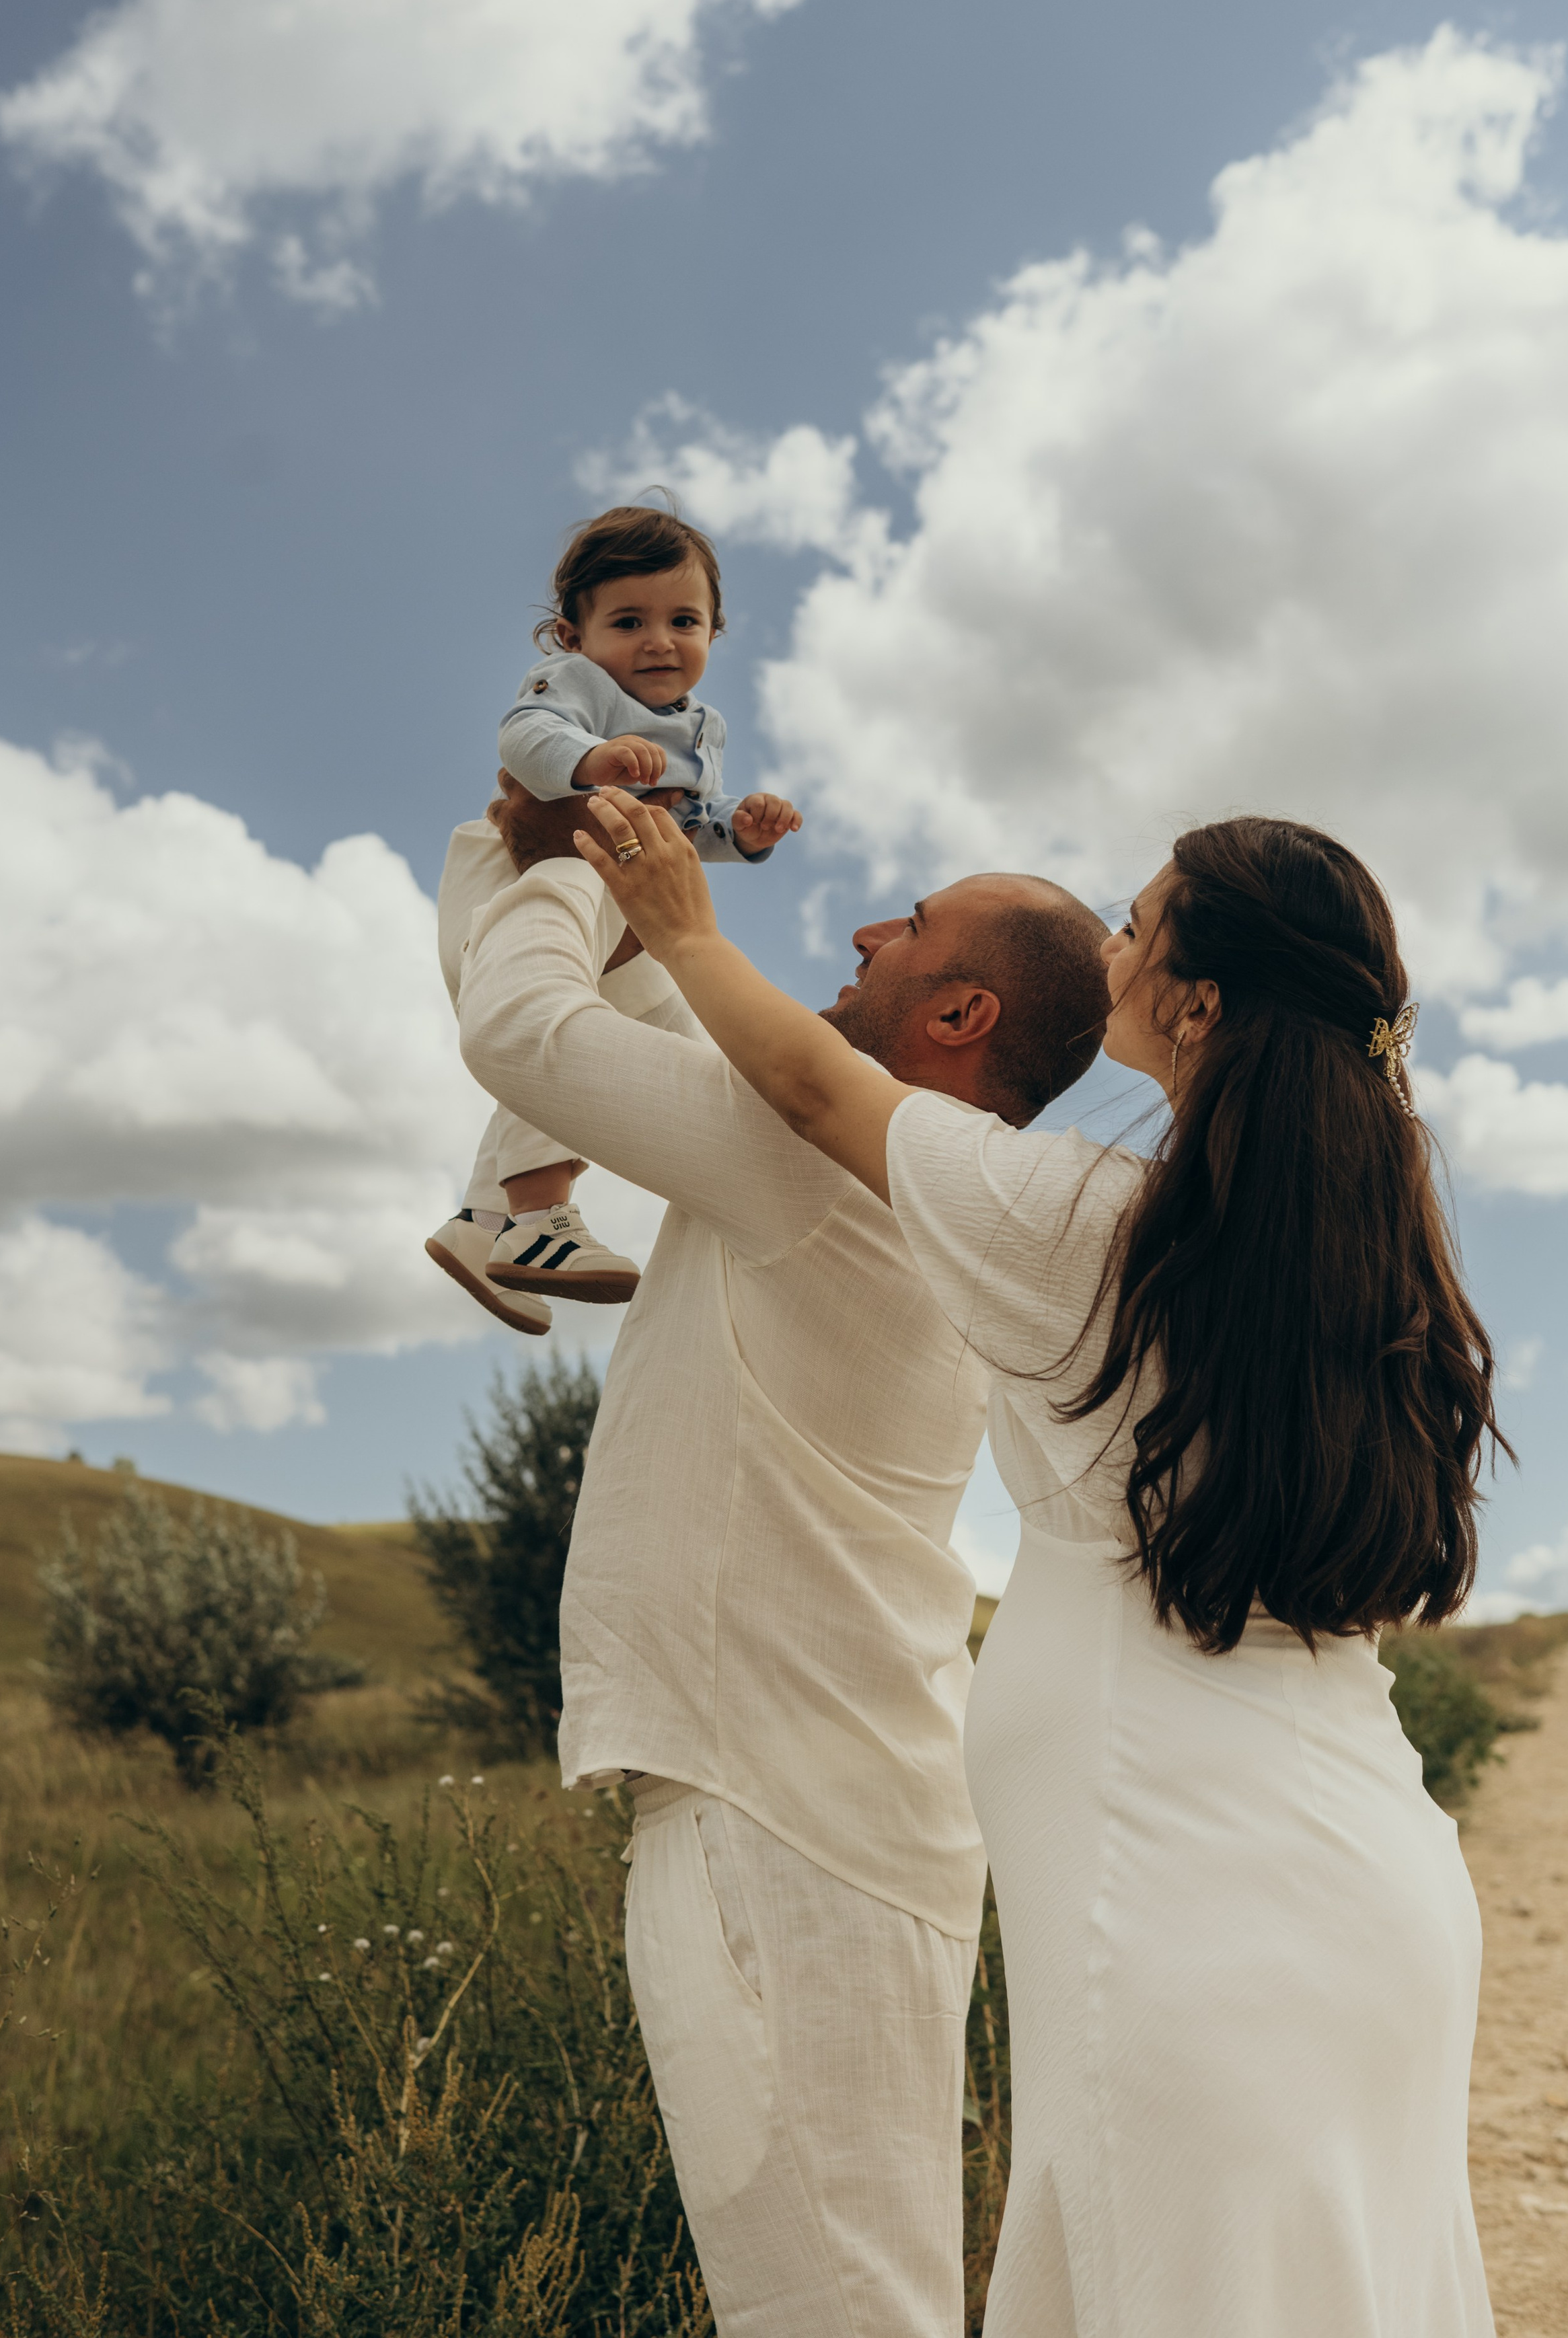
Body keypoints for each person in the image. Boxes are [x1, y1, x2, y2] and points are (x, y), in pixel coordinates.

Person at [572, 790, 1505, 2338]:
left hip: (1187, 1927)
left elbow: (809, 1086)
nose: (1109, 950)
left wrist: (678, 926)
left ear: (1192, 1002)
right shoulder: (1361, 1270)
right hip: (1378, 1898)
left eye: (1135, 928)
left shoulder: (1087, 1226)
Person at [455, 772, 1112, 2338]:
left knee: (831, 2308)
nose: (868, 926)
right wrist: (562, 863)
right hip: (820, 1800)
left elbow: (525, 1034)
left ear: (955, 1012)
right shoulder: (907, 1180)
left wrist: (564, 865)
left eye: (913, 922)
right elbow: (617, 1035)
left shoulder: (813, 1161)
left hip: (777, 1814)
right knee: (860, 2292)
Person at [425, 502, 800, 1334]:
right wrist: (588, 758)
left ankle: (482, 1222)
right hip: (533, 879)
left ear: (714, 631)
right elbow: (525, 737)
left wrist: (741, 831)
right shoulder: (577, 687)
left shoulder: (701, 729)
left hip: (624, 913)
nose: (659, 642)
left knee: (669, 1054)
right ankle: (539, 1218)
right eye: (628, 622)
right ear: (572, 636)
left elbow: (687, 825)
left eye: (683, 621)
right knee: (558, 1030)